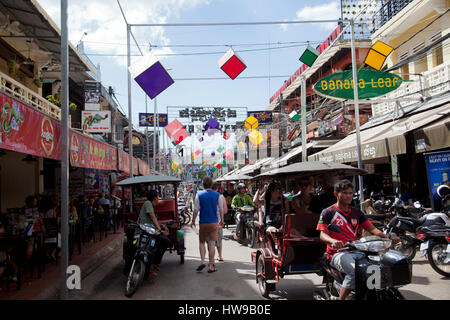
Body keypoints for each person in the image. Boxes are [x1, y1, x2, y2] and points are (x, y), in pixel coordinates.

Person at [316, 179, 399, 300]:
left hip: (357, 250)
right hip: (338, 253)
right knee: (354, 273)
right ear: (336, 194)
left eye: (350, 193)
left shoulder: (356, 212)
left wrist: (389, 237)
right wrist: (333, 241)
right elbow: (322, 235)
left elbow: (373, 229)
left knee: (378, 268)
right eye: (344, 193)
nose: (348, 196)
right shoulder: (328, 212)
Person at [190, 177, 224, 273]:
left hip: (203, 222)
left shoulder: (199, 194)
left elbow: (196, 210)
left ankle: (202, 261)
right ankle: (211, 265)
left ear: (203, 185)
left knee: (202, 242)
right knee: (212, 243)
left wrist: (193, 221)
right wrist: (222, 220)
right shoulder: (218, 195)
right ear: (211, 184)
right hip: (214, 222)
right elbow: (221, 209)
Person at [139, 190, 170, 274]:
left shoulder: (151, 205)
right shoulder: (148, 203)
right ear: (155, 198)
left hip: (151, 230)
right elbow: (152, 217)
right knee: (161, 242)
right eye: (158, 197)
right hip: (145, 231)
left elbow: (154, 220)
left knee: (164, 241)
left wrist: (162, 225)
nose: (158, 199)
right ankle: (152, 264)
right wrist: (160, 230)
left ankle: (154, 263)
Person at [260, 182, 283, 250]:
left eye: (280, 189)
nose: (279, 191)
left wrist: (283, 226)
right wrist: (259, 190)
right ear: (271, 191)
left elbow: (291, 198)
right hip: (271, 224)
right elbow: (255, 201)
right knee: (273, 230)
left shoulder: (284, 200)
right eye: (277, 189)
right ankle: (277, 245)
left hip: (282, 224)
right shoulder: (266, 201)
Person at [211, 181, 227, 262]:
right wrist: (222, 220)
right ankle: (220, 256)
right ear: (217, 188)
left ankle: (211, 259)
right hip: (218, 221)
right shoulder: (221, 197)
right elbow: (225, 211)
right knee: (219, 240)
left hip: (209, 221)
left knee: (211, 241)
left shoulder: (206, 196)